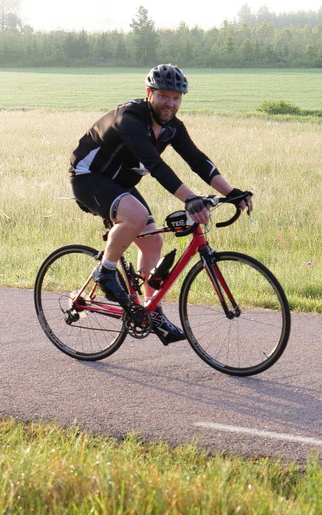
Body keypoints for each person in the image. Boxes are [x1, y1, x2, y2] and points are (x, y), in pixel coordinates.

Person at [69, 63, 252, 345]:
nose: (171, 103)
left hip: (120, 184)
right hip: (89, 177)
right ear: (149, 93)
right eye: (164, 96)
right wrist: (190, 198)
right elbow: (155, 165)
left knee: (153, 242)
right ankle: (105, 272)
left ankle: (149, 311)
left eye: (177, 98)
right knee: (137, 216)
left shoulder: (172, 128)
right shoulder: (130, 119)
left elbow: (197, 160)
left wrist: (233, 192)